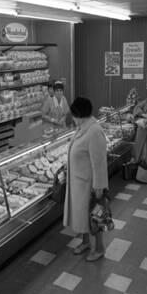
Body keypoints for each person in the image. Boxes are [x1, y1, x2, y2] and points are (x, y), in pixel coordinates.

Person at [63, 97, 109, 262]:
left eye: (74, 115)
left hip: (89, 185)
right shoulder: (83, 127)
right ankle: (85, 242)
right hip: (79, 183)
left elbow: (99, 163)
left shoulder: (94, 131)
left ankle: (99, 248)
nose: (73, 119)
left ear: (80, 115)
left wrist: (99, 187)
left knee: (96, 217)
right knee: (82, 217)